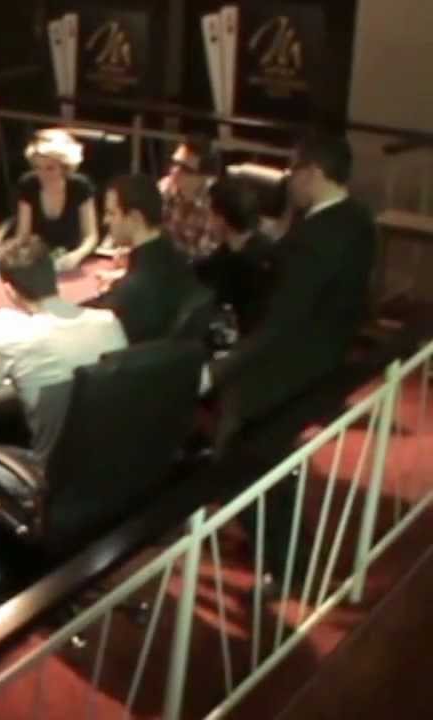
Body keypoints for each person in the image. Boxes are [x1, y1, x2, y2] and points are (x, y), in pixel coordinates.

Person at [200, 134, 376, 587]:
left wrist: (219, 370)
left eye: (292, 170)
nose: (287, 179)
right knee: (268, 465)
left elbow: (279, 324)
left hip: (290, 370)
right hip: (326, 358)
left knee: (238, 459)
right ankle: (286, 552)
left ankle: (287, 564)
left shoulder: (313, 238)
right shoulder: (358, 219)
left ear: (312, 173)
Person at [0, 236, 128, 604]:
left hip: (56, 480)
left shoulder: (12, 339)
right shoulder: (108, 322)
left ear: (9, 289)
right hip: (116, 468)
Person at [88, 174, 201, 344]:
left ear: (135, 218)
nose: (105, 221)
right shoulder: (178, 258)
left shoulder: (129, 292)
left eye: (111, 213)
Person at [194, 177, 276, 339]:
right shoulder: (229, 250)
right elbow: (201, 269)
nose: (206, 222)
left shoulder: (255, 264)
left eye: (209, 215)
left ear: (221, 220)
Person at [11, 129, 100, 271]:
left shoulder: (81, 187)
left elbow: (91, 237)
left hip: (72, 261)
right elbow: (22, 236)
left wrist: (76, 256)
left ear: (65, 167)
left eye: (50, 168)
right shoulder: (28, 185)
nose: (42, 174)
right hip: (37, 262)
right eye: (37, 168)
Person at [159, 134, 221, 261]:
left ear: (205, 178)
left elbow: (207, 258)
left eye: (185, 169)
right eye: (174, 163)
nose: (174, 171)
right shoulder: (165, 188)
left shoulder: (216, 208)